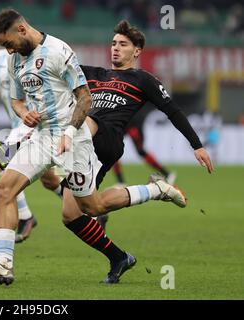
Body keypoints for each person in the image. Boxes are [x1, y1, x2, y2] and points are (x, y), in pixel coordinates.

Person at [0, 10, 190, 286]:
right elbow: (17, 101)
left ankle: (155, 190)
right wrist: (23, 113)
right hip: (41, 137)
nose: (6, 49)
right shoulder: (15, 61)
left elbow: (84, 99)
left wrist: (70, 133)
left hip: (75, 138)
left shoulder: (59, 51)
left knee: (90, 206)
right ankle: (3, 264)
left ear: (22, 29)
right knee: (3, 190)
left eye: (8, 42)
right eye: (2, 46)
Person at [57, 20, 213, 283]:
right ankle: (121, 255)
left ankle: (34, 155)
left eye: (123, 44)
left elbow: (172, 111)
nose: (115, 48)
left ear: (137, 51)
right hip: (85, 144)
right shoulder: (93, 74)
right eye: (114, 43)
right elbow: (58, 71)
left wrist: (196, 144)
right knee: (77, 213)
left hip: (106, 139)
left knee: (82, 121)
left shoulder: (143, 80)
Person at [0, 48, 63, 243]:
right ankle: (88, 210)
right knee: (49, 180)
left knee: (1, 161)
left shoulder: (36, 57)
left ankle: (26, 217)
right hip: (17, 123)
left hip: (33, 123)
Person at [112, 104, 177, 187]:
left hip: (133, 123)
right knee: (113, 150)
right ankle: (121, 182)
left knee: (140, 151)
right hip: (122, 123)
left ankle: (167, 174)